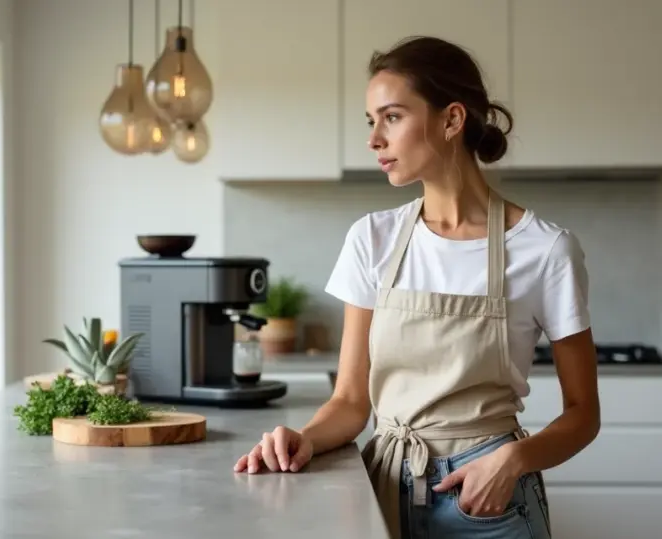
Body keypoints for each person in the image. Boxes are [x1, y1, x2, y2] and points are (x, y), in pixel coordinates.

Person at [233, 35, 601, 539]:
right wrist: (305, 439)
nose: (374, 139)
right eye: (371, 121)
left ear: (452, 120)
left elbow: (583, 415)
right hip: (383, 488)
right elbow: (350, 402)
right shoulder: (371, 239)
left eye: (392, 117)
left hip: (489, 501)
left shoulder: (545, 249)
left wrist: (514, 459)